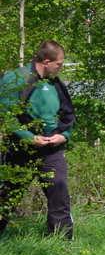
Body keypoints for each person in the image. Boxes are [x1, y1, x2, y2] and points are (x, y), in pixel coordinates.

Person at [0, 40, 75, 239]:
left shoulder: (54, 83)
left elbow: (68, 114)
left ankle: (62, 241)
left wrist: (64, 135)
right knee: (7, 194)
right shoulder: (16, 78)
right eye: (59, 64)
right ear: (46, 61)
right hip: (20, 149)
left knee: (59, 190)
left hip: (51, 149)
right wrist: (29, 137)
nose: (60, 68)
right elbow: (6, 115)